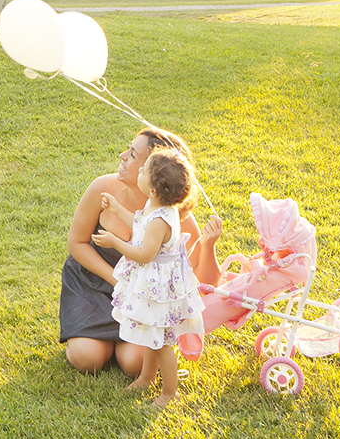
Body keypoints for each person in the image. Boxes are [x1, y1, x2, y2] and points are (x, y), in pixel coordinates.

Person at [60, 128, 221, 376]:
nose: (123, 156)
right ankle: (97, 338)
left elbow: (205, 282)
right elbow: (77, 243)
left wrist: (208, 246)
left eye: (133, 155)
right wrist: (118, 279)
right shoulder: (104, 188)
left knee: (136, 363)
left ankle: (121, 342)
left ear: (154, 173)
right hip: (93, 282)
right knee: (87, 358)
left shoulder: (175, 219)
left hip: (144, 297)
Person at [91, 148, 204, 407]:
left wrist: (114, 242)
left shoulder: (161, 219)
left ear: (153, 190)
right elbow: (140, 224)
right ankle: (147, 377)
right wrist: (118, 209)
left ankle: (169, 392)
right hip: (155, 283)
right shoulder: (157, 206)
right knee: (152, 335)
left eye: (144, 171)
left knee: (162, 342)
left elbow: (143, 254)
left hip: (158, 287)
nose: (139, 171)